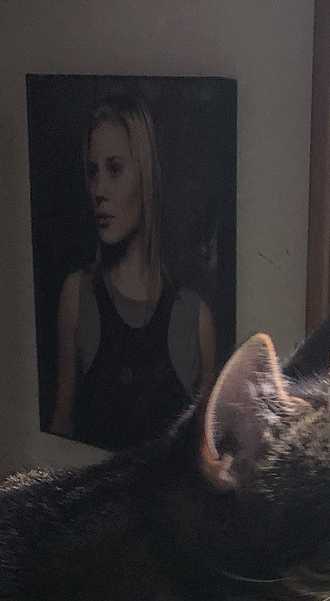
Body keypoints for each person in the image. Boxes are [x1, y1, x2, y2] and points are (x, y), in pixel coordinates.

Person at [51, 96, 217, 449]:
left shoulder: (195, 318)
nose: (98, 190)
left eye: (114, 169)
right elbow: (59, 431)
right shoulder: (78, 295)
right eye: (92, 172)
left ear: (145, 178)